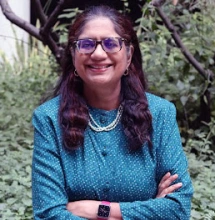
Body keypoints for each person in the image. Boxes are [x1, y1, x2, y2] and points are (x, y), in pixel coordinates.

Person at [32, 5, 193, 220]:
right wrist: (151, 208)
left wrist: (98, 210)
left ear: (128, 55)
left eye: (111, 43)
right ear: (73, 54)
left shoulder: (160, 114)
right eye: (86, 44)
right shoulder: (49, 119)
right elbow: (49, 214)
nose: (98, 53)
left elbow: (178, 208)